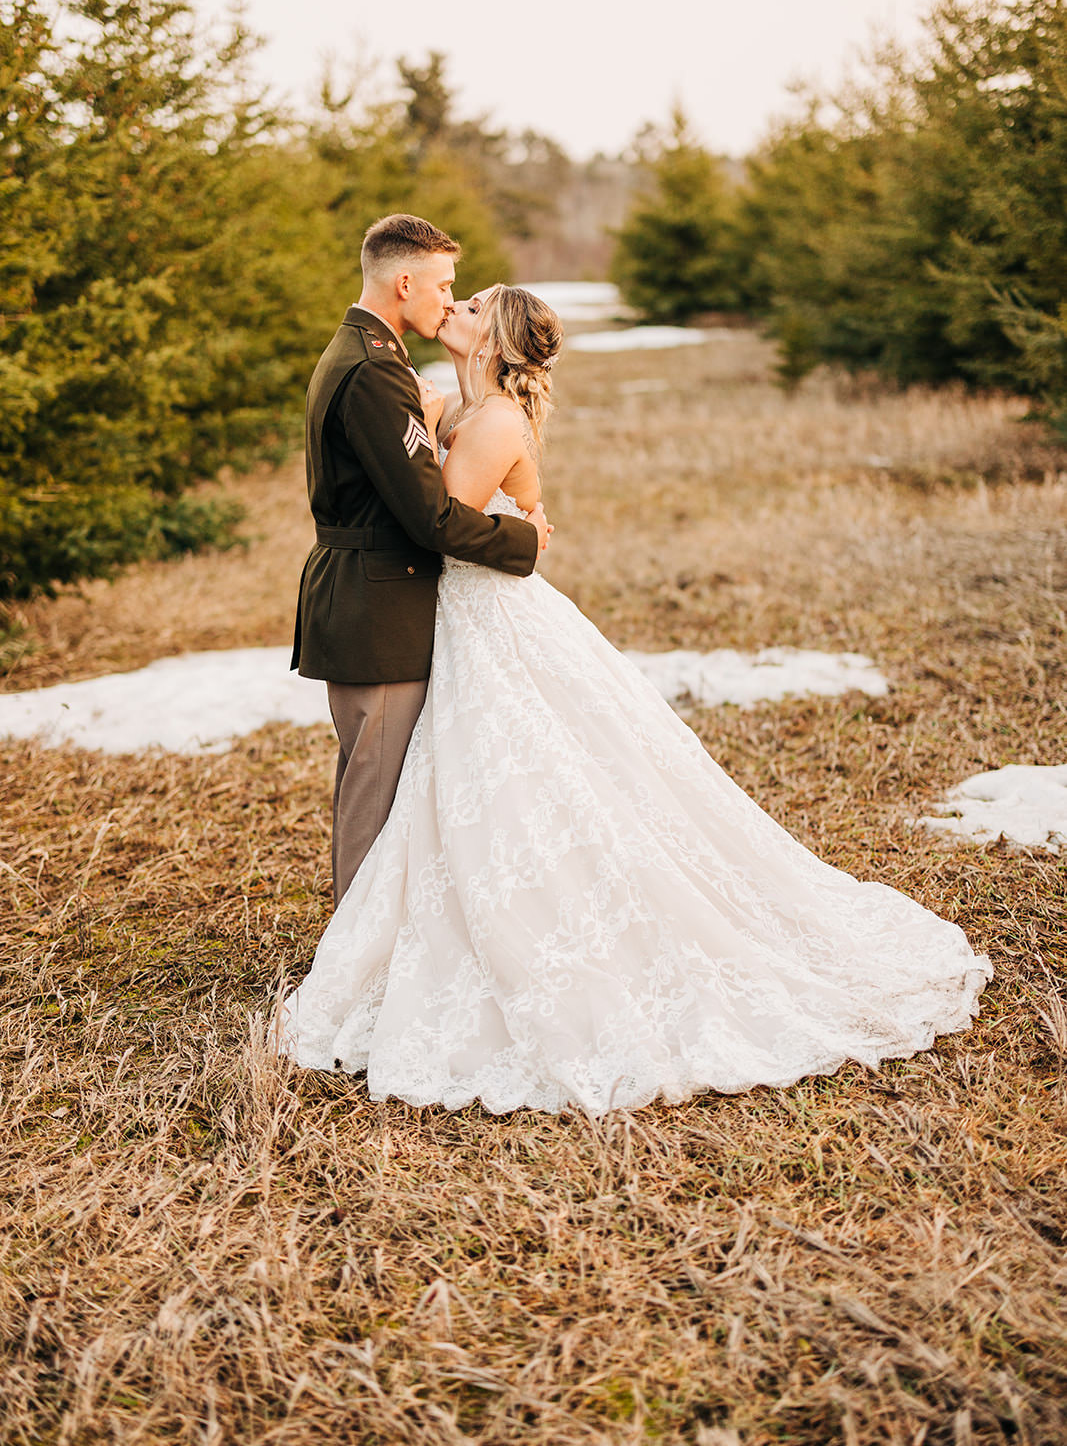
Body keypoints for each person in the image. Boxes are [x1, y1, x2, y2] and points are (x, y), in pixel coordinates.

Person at [279, 285, 992, 1116]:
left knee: (524, 778)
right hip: (466, 623)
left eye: (472, 306)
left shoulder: (494, 421)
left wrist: (490, 498)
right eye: (456, 294)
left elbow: (434, 521)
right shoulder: (460, 412)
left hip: (492, 624)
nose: (456, 308)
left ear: (497, 340)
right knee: (484, 783)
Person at [290, 215, 550, 907]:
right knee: (373, 793)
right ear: (404, 282)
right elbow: (429, 515)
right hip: (378, 606)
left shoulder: (366, 352)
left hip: (375, 600)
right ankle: (356, 955)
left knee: (383, 783)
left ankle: (383, 937)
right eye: (444, 286)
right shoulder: (375, 369)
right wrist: (524, 536)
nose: (447, 300)